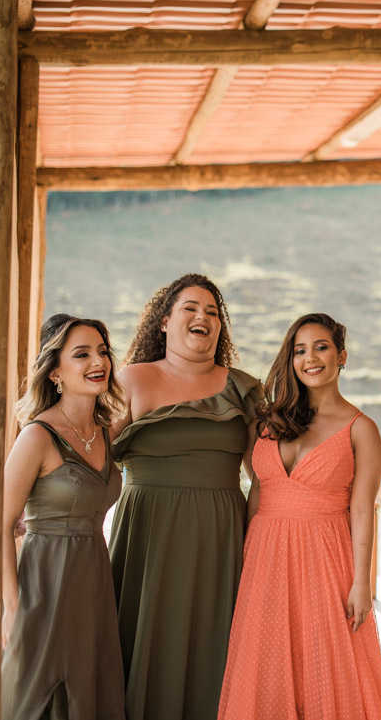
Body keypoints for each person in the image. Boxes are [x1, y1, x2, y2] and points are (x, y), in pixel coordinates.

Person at [217, 313, 381, 719]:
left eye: (321, 347)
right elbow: (259, 490)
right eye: (300, 350)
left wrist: (362, 584)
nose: (310, 358)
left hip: (326, 558)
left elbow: (364, 510)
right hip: (265, 558)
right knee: (265, 662)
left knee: (326, 663)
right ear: (290, 359)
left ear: (341, 356)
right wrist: (244, 558)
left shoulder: (360, 428)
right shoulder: (269, 420)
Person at [110, 274, 262, 720]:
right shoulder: (131, 380)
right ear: (163, 321)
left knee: (212, 644)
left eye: (213, 312)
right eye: (190, 308)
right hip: (147, 535)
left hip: (222, 539)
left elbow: (266, 476)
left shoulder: (245, 388)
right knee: (144, 643)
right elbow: (90, 456)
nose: (203, 317)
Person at [1, 314, 126, 720]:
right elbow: (1, 524)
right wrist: (12, 606)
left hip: (93, 583)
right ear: (55, 371)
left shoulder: (108, 433)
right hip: (44, 584)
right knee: (35, 696)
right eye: (82, 354)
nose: (98, 362)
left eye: (103, 351)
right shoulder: (37, 435)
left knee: (90, 691)